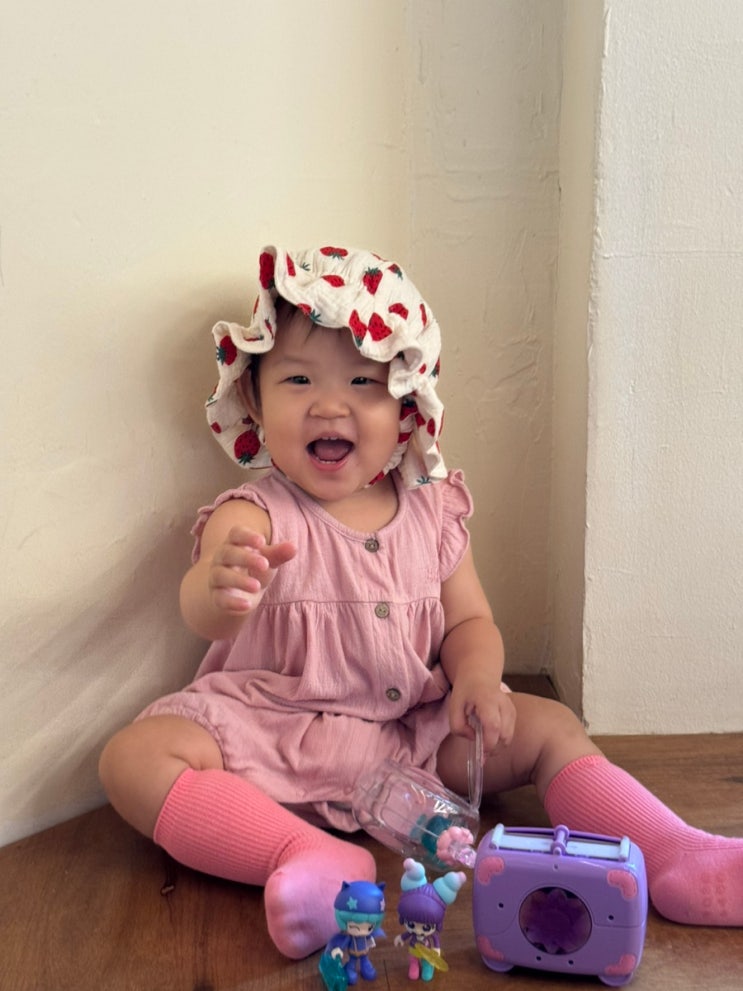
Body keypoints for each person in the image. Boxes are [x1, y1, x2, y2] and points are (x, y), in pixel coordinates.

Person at [99, 244, 743, 961]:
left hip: (413, 739)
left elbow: (469, 620)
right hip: (272, 734)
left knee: (549, 725)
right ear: (254, 399)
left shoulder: (431, 511)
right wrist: (222, 588)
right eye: (298, 378)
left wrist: (476, 681)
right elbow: (203, 610)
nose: (329, 403)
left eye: (363, 381)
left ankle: (675, 851)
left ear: (407, 403)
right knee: (133, 757)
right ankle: (302, 854)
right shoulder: (254, 514)